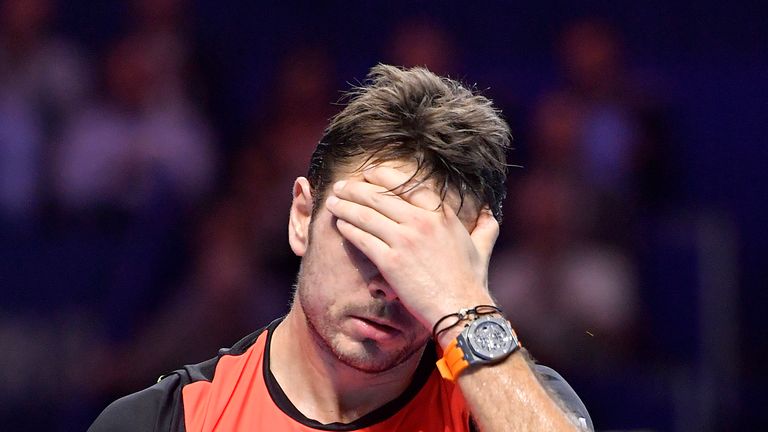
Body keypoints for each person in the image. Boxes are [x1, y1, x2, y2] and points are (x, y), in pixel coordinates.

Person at [89, 64, 593, 431]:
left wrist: (465, 309)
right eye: (368, 236)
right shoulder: (164, 420)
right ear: (302, 217)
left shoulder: (503, 405)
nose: (390, 285)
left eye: (424, 257)